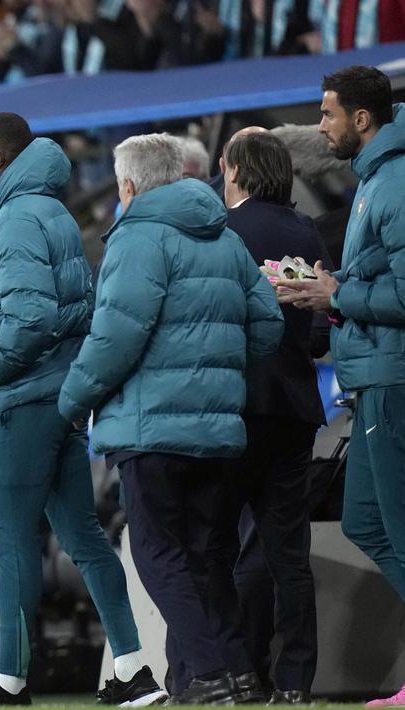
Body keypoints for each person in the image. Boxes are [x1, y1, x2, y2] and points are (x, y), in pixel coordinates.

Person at [58, 134, 282, 705]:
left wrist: (72, 400)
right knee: (208, 557)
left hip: (149, 428)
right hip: (217, 429)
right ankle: (237, 672)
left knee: (159, 554)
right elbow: (268, 327)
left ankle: (207, 674)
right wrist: (214, 370)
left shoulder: (137, 238)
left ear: (127, 185)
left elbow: (116, 338)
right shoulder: (224, 237)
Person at [0, 112, 165, 707]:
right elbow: (73, 310)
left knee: (14, 540)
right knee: (83, 536)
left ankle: (9, 681)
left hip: (23, 402)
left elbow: (30, 319)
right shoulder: (50, 211)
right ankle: (132, 669)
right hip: (60, 398)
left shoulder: (17, 219)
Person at [275, 64, 405, 707]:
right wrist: (326, 298)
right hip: (372, 373)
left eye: (326, 114)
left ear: (361, 118)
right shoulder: (378, 179)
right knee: (363, 522)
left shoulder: (398, 181)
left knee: (396, 528)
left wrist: (338, 290)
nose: (320, 126)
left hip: (393, 378)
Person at [218, 131, 325, 705]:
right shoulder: (301, 231)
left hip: (232, 408)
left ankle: (241, 671)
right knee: (287, 552)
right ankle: (294, 680)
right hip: (292, 409)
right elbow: (317, 327)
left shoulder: (220, 232)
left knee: (224, 550)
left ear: (234, 170)